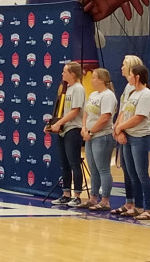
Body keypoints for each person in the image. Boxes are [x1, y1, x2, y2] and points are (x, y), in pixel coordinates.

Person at [114, 64, 150, 220]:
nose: (128, 77)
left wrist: (120, 127)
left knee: (141, 173)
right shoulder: (132, 93)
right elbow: (125, 113)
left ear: (137, 77)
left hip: (140, 137)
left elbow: (139, 117)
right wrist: (120, 130)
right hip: (128, 136)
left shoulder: (146, 94)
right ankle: (138, 206)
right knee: (131, 173)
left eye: (130, 74)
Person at [79, 68, 117, 211]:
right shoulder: (94, 94)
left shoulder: (108, 96)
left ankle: (105, 200)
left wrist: (91, 130)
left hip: (102, 136)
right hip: (90, 136)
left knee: (103, 169)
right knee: (93, 169)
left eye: (94, 77)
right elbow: (86, 113)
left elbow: (105, 118)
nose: (91, 80)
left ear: (101, 80)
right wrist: (84, 128)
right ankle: (93, 198)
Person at [48, 62, 85, 207]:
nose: (62, 74)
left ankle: (77, 195)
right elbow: (60, 110)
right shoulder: (65, 89)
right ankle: (66, 194)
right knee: (64, 164)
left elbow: (75, 110)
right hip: (63, 129)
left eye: (65, 72)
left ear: (73, 74)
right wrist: (52, 125)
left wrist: (60, 123)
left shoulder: (78, 89)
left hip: (73, 129)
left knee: (74, 162)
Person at [109, 54, 142, 216]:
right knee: (127, 170)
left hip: (131, 133)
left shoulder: (136, 89)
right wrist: (116, 128)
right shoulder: (127, 88)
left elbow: (129, 113)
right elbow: (122, 111)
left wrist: (120, 129)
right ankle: (129, 202)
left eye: (124, 65)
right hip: (122, 129)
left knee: (134, 171)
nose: (121, 68)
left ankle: (137, 203)